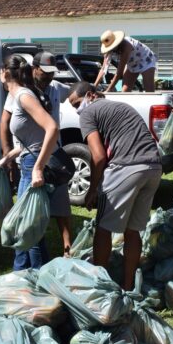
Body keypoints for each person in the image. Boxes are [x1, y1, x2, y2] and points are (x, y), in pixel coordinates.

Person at [68, 81, 162, 290]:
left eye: (76, 104)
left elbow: (99, 156)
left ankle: (99, 287)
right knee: (132, 231)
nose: (77, 110)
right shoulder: (120, 106)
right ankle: (128, 287)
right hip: (154, 167)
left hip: (127, 167)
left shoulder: (89, 112)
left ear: (90, 95)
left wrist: (91, 190)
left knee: (103, 228)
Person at [0, 52, 73, 256]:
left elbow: (51, 128)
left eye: (52, 72)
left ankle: (49, 263)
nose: (49, 76)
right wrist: (8, 156)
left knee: (31, 223)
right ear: (34, 69)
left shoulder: (28, 94)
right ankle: (27, 272)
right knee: (29, 222)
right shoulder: (21, 93)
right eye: (45, 71)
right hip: (30, 157)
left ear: (5, 73)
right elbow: (7, 124)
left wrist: (38, 167)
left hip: (44, 159)